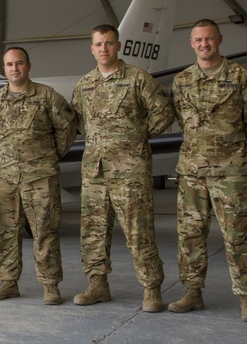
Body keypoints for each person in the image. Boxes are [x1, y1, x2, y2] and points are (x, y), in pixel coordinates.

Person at [70, 24, 174, 312]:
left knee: (138, 231)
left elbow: (165, 111)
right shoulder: (85, 84)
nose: (104, 48)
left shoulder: (137, 79)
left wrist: (138, 137)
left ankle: (152, 288)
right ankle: (97, 284)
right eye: (98, 44)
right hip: (95, 171)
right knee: (93, 231)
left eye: (109, 43)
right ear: (92, 49)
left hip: (130, 170)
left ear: (118, 46)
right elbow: (78, 121)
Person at [168, 19, 247, 322]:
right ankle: (193, 292)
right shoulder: (182, 80)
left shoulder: (240, 76)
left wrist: (229, 147)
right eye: (198, 40)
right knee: (190, 235)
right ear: (191, 43)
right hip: (192, 171)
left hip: (230, 171)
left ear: (219, 40)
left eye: (209, 39)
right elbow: (184, 122)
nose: (204, 44)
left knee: (238, 235)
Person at [0, 47, 76, 305]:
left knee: (44, 230)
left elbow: (66, 131)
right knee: (4, 231)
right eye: (10, 64)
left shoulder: (47, 97)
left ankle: (50, 285)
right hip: (6, 178)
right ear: (4, 69)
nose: (15, 69)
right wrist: (7, 160)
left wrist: (45, 157)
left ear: (29, 66)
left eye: (19, 63)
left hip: (40, 177)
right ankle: (8, 282)